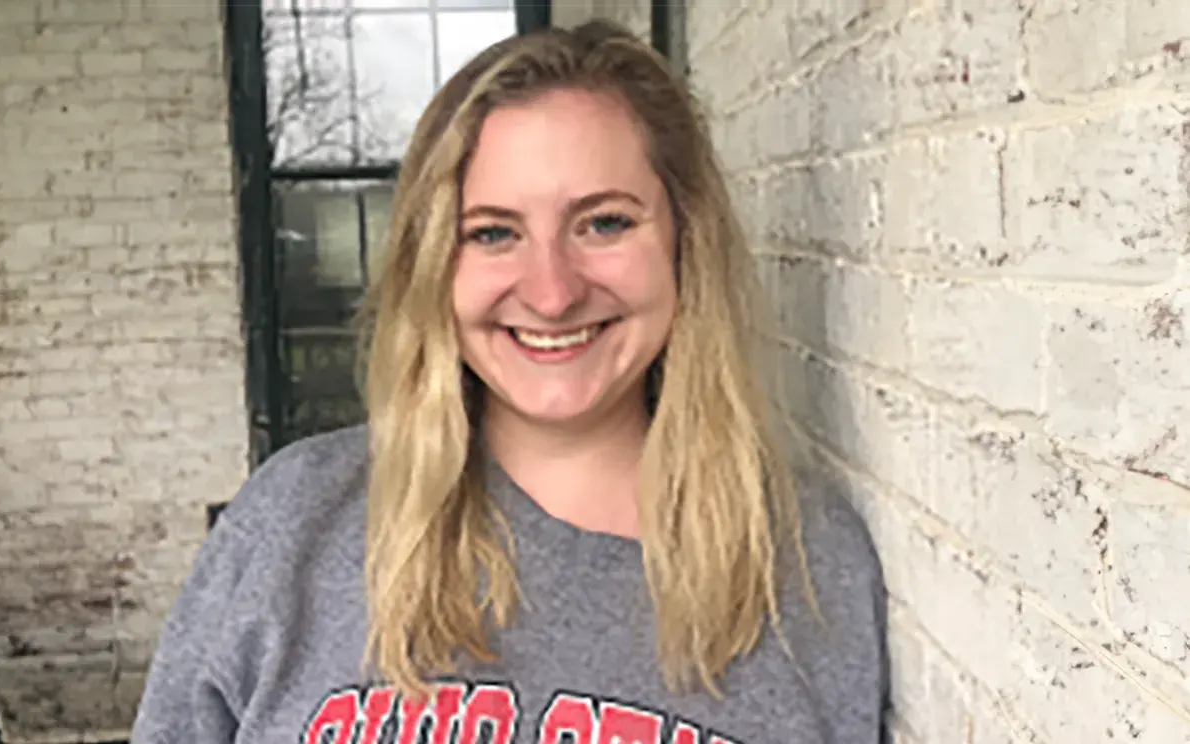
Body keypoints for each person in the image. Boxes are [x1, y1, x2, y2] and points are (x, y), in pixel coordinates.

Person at [131, 20, 888, 744]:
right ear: (432, 264)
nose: (552, 291)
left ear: (686, 243)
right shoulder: (291, 523)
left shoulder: (804, 562)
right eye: (492, 233)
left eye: (604, 223)